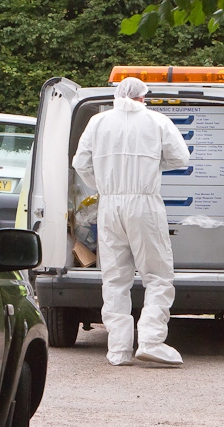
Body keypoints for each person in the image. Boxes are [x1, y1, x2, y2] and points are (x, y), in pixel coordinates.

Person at [73, 77, 190, 365]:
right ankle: (151, 340)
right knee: (158, 275)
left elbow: (80, 163)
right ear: (142, 97)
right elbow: (181, 158)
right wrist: (152, 163)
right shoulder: (157, 122)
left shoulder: (98, 123)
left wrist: (101, 184)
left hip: (109, 204)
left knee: (114, 279)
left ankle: (118, 350)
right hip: (144, 203)